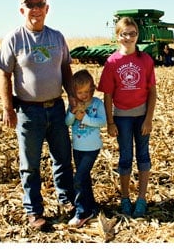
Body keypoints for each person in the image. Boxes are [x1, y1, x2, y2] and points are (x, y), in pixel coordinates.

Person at [0, 0, 75, 230]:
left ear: (47, 9)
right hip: (28, 112)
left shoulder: (57, 37)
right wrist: (8, 108)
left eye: (40, 4)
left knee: (62, 158)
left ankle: (68, 200)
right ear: (22, 10)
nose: (36, 10)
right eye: (30, 5)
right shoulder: (14, 38)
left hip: (56, 108)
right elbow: (3, 74)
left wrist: (73, 98)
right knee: (29, 165)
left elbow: (66, 70)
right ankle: (34, 211)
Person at [98, 17, 157, 218]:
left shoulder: (146, 60)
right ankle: (125, 198)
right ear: (118, 36)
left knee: (143, 157)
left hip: (141, 117)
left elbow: (152, 92)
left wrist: (149, 119)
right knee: (124, 158)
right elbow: (107, 95)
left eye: (133, 33)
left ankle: (141, 199)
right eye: (125, 34)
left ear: (137, 36)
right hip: (121, 118)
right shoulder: (112, 62)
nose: (129, 37)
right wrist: (110, 122)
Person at [65, 69, 106, 228]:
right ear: (74, 92)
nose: (84, 95)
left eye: (88, 91)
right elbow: (67, 122)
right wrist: (73, 113)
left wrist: (85, 118)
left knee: (79, 179)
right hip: (78, 147)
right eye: (80, 92)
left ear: (93, 89)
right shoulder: (74, 103)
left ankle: (82, 212)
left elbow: (102, 122)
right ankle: (91, 206)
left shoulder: (97, 104)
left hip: (92, 148)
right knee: (85, 179)